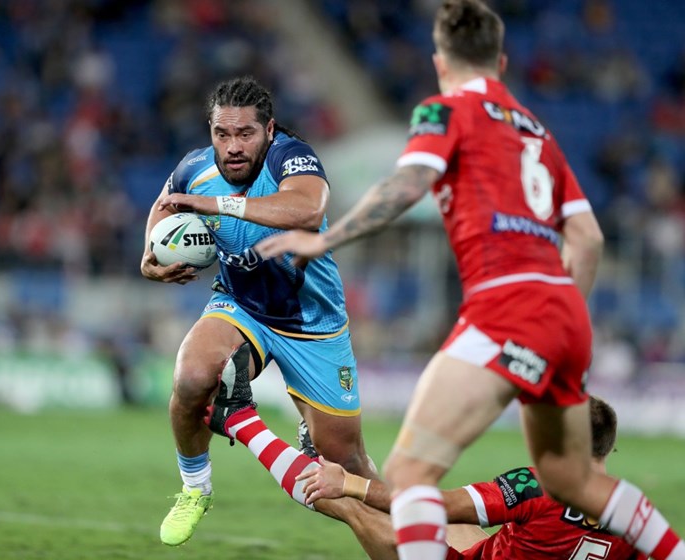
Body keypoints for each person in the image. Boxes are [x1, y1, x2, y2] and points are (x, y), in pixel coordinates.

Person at [255, 2, 685, 559]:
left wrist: (324, 239)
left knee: (410, 474)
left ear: (439, 61)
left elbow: (408, 184)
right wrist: (557, 323)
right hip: (563, 314)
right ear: (502, 61)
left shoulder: (445, 110)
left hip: (504, 304)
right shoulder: (537, 133)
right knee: (574, 479)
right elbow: (590, 239)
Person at [140, 76, 377, 547]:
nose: (231, 146)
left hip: (313, 326)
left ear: (268, 130)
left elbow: (307, 210)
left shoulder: (292, 156)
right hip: (240, 306)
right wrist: (149, 257)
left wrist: (215, 204)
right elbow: (163, 208)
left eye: (245, 134)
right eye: (221, 134)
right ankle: (195, 488)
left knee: (345, 465)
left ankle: (415, 530)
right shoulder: (194, 168)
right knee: (192, 377)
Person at [206, 366, 647, 559]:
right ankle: (327, 460)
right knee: (391, 497)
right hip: (485, 552)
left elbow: (434, 506)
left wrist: (352, 485)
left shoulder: (538, 486)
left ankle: (240, 419)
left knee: (348, 500)